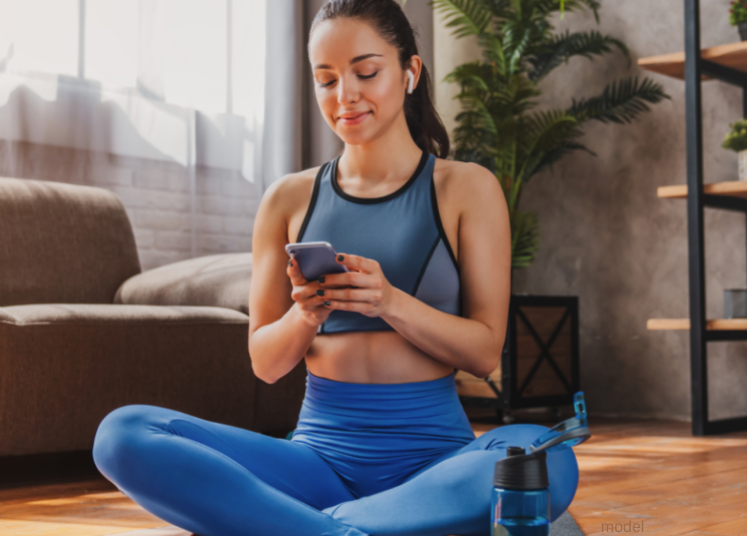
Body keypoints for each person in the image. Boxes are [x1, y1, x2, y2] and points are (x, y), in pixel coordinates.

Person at [91, 1, 580, 534]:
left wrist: (388, 301)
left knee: (545, 455)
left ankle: (300, 526)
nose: (344, 95)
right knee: (122, 433)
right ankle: (349, 528)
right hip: (317, 463)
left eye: (365, 72)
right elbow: (266, 363)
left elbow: (485, 351)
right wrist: (305, 317)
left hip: (437, 466)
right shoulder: (287, 199)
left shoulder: (466, 188)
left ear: (410, 72)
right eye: (326, 80)